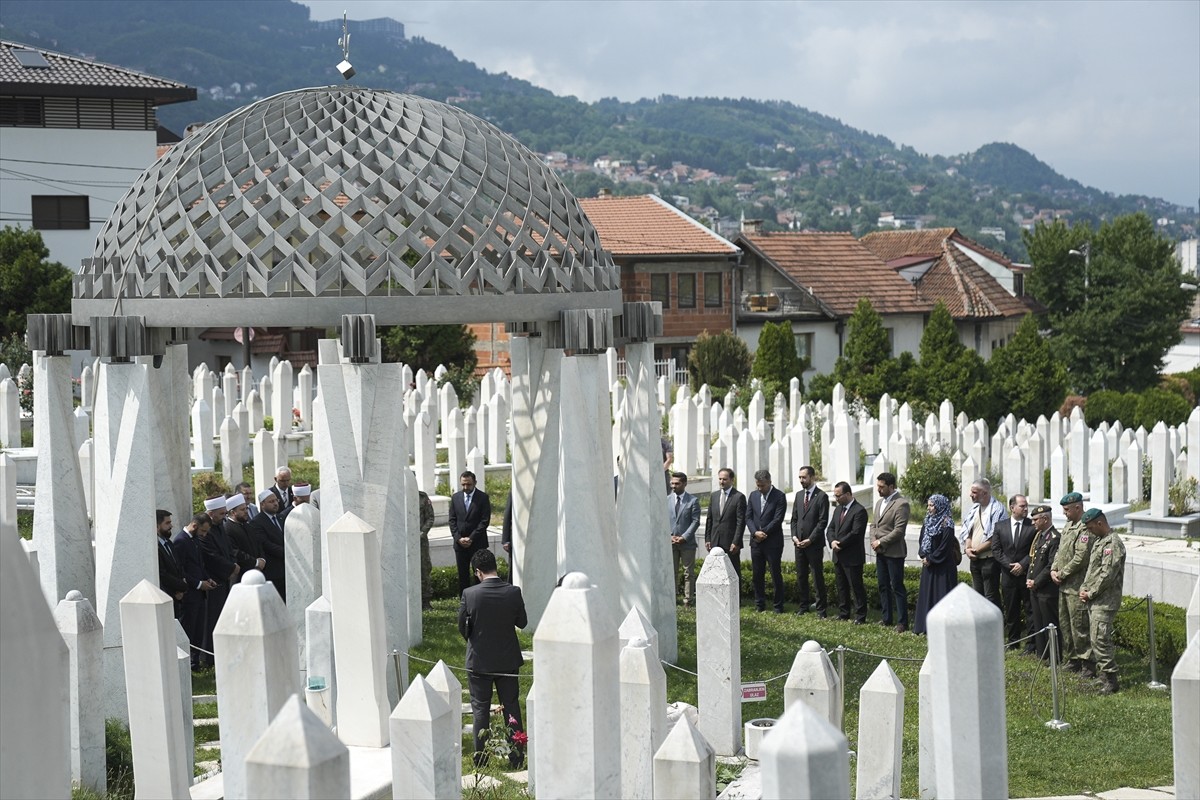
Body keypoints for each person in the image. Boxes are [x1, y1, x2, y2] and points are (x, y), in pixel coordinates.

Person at [458, 549, 528, 767]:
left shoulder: (469, 594)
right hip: (507, 660)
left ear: (478, 572)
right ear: (495, 568)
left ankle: (481, 759)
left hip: (479, 661)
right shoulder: (513, 592)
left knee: (480, 709)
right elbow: (522, 622)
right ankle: (516, 756)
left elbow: (463, 628)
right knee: (511, 706)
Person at [1078, 508, 1126, 694]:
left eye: (1091, 528)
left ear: (1099, 523)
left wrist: (1090, 593)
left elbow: (1107, 575)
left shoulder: (1112, 544)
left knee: (1100, 639)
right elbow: (1093, 571)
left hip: (1105, 601)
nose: (1089, 532)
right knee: (1095, 639)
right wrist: (1084, 587)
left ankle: (1111, 681)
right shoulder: (1100, 541)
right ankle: (1104, 676)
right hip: (1095, 599)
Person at [1050, 492, 1093, 676]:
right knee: (1065, 625)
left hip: (1077, 586)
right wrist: (1053, 569)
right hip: (1064, 586)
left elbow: (1080, 558)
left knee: (1079, 627)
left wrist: (1062, 573)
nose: (1065, 513)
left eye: (1067, 509)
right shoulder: (1068, 526)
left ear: (1078, 507)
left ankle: (1087, 664)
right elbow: (1060, 551)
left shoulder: (1086, 527)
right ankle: (1072, 659)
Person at [172, 514, 217, 671]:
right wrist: (198, 584)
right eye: (203, 531)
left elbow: (198, 565)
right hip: (189, 594)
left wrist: (207, 579)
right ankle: (188, 663)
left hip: (199, 593)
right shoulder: (180, 541)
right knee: (189, 628)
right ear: (195, 526)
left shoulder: (195, 540)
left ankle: (195, 661)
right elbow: (180, 570)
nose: (204, 535)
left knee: (198, 629)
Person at [994, 494, 1036, 649]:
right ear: (1012, 508)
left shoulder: (1032, 526)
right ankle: (1013, 642)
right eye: (1022, 506)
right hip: (1008, 576)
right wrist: (1010, 565)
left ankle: (1032, 644)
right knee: (1011, 610)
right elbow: (996, 550)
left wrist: (1022, 565)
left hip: (1025, 575)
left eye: (1026, 506)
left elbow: (1034, 549)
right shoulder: (1000, 526)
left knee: (1029, 609)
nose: (1025, 509)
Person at [870, 472, 911, 632]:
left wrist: (881, 541)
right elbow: (874, 525)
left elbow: (899, 531)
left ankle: (902, 622)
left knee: (897, 587)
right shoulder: (880, 503)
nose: (878, 490)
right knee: (883, 585)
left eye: (882, 487)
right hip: (880, 552)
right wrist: (874, 541)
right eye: (878, 486)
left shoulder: (901, 504)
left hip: (894, 552)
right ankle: (886, 618)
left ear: (891, 487)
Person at [912, 494, 958, 635]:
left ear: (940, 506)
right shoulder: (928, 521)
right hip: (929, 565)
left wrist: (931, 558)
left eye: (932, 505)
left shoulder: (947, 523)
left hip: (942, 567)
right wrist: (924, 555)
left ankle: (941, 628)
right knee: (927, 594)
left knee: (941, 595)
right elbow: (922, 540)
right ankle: (924, 627)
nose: (929, 508)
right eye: (929, 505)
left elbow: (945, 546)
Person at [959, 478, 1007, 608]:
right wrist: (968, 548)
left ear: (984, 493)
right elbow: (969, 531)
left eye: (974, 492)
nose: (971, 495)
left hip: (989, 560)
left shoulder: (998, 509)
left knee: (991, 597)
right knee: (977, 595)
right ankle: (979, 627)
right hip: (975, 560)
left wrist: (975, 551)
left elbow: (994, 538)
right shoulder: (974, 509)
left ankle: (994, 627)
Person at [827, 481, 868, 624]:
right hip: (838, 555)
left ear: (848, 494)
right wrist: (832, 541)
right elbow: (831, 529)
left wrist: (840, 544)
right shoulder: (838, 510)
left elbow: (856, 533)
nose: (836, 498)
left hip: (852, 555)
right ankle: (844, 612)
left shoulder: (859, 510)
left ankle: (860, 615)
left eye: (838, 496)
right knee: (841, 586)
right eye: (835, 495)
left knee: (856, 586)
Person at [790, 465, 829, 617]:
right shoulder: (799, 495)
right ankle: (803, 605)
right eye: (799, 477)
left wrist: (810, 539)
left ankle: (821, 609)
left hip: (814, 545)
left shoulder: (821, 496)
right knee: (801, 576)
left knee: (816, 576)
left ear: (812, 477)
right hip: (798, 544)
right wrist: (794, 536)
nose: (801, 480)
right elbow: (794, 519)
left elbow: (822, 522)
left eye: (804, 477)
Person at [747, 469, 787, 613]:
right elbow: (748, 517)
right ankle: (759, 604)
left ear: (769, 482)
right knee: (757, 574)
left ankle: (778, 606)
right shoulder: (753, 495)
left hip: (773, 542)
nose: (760, 488)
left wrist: (764, 532)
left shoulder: (779, 496)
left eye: (762, 486)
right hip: (756, 542)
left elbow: (778, 519)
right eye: (758, 485)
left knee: (775, 574)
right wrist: (754, 532)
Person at [1025, 504, 1061, 661]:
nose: (1033, 523)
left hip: (1046, 589)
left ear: (1045, 519)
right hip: (1035, 588)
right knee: (1038, 622)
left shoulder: (1054, 538)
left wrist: (1037, 582)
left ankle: (1054, 656)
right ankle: (1042, 654)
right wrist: (1029, 579)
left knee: (1049, 623)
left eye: (1035, 520)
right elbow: (1033, 561)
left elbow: (1051, 565)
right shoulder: (1039, 536)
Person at [449, 471, 491, 595]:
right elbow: (452, 520)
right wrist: (458, 538)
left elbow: (484, 521)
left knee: (479, 574)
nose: (466, 487)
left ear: (475, 483)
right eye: (463, 485)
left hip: (477, 543)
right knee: (463, 575)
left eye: (469, 484)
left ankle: (480, 599)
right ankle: (465, 601)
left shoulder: (483, 498)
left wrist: (471, 538)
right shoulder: (456, 498)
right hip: (460, 545)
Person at [704, 468, 746, 584]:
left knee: (733, 572)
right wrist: (708, 538)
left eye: (725, 479)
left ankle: (736, 599)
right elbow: (710, 519)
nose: (722, 482)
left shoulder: (738, 497)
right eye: (720, 479)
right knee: (715, 572)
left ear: (732, 480)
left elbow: (740, 522)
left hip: (730, 543)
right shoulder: (714, 496)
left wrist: (736, 542)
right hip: (715, 541)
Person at [668, 472, 701, 607]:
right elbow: (662, 520)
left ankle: (688, 599)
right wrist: (669, 536)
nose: (674, 486)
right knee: (672, 572)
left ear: (685, 484)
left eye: (677, 483)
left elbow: (695, 521)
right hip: (670, 542)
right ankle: (672, 598)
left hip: (687, 543)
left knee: (688, 572)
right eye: (672, 483)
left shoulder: (693, 501)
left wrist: (684, 537)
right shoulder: (667, 500)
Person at [252, 489, 287, 602]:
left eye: (276, 500)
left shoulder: (281, 518)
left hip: (286, 570)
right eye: (271, 501)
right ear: (262, 505)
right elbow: (266, 544)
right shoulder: (257, 522)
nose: (276, 503)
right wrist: (287, 553)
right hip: (272, 571)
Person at [223, 493, 266, 582]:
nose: (246, 511)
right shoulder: (227, 528)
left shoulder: (248, 526)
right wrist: (255, 562)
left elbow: (258, 543)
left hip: (256, 572)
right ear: (233, 512)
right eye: (242, 509)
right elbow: (235, 551)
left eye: (246, 508)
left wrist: (262, 559)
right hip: (241, 575)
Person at [156, 509, 187, 611]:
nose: (171, 526)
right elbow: (162, 574)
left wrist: (181, 586)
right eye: (167, 523)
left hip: (178, 596)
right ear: (157, 526)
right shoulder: (155, 547)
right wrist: (179, 588)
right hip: (168, 594)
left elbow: (178, 565)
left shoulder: (169, 543)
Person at [418, 489, 435, 610]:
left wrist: (422, 532)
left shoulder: (422, 497)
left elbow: (430, 517)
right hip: (402, 540)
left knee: (424, 568)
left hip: (420, 541)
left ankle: (425, 600)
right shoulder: (396, 495)